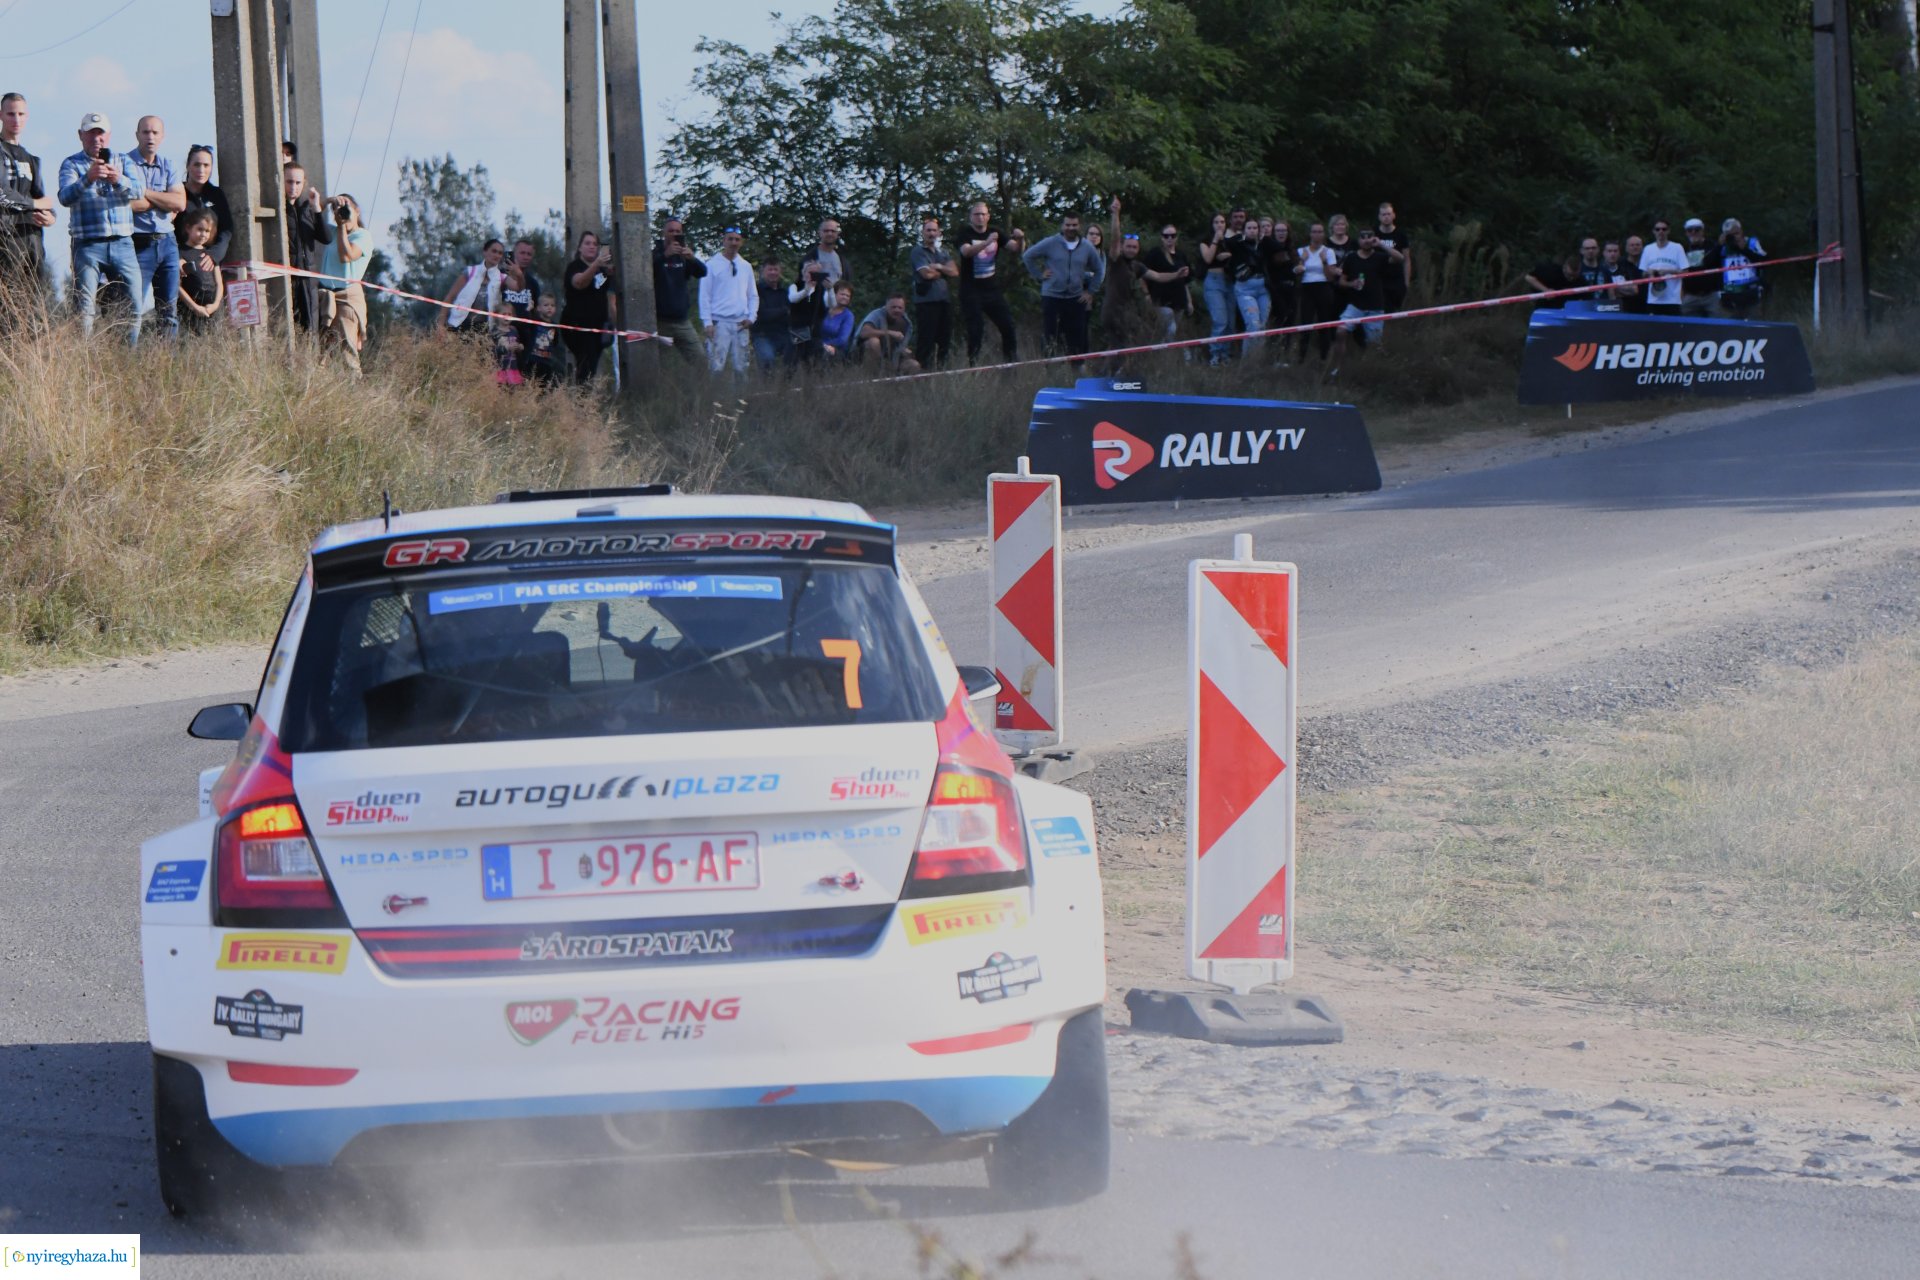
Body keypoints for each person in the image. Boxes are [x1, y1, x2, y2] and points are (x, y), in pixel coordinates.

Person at [58, 111, 147, 342]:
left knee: (135, 301)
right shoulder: (71, 164)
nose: (97, 139)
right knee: (84, 307)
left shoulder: (122, 161)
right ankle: (84, 357)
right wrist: (87, 178)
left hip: (122, 243)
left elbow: (139, 192)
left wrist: (118, 180)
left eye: (101, 134)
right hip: (87, 245)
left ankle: (129, 354)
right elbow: (65, 197)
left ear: (109, 136)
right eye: (91, 134)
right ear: (81, 135)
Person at [126, 115, 185, 338]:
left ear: (162, 136)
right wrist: (163, 199)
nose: (150, 137)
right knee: (133, 308)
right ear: (137, 134)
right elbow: (129, 204)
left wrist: (146, 193)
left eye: (155, 132)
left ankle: (165, 363)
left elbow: (179, 202)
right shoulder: (125, 163)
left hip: (167, 243)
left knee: (168, 309)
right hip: (138, 243)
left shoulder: (168, 165)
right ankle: (127, 360)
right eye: (145, 132)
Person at [0, 92, 55, 321]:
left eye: (21, 114)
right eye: (11, 113)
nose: (16, 119)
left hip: (32, 239)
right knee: (7, 304)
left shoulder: (31, 158)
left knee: (33, 305)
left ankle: (30, 354)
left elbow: (43, 198)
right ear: (1, 115)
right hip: (6, 238)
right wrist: (35, 204)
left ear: (27, 117)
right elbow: (2, 195)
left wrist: (50, 217)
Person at [1023, 211, 1104, 357]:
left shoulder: (1087, 247)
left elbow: (1099, 270)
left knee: (1077, 336)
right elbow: (1028, 256)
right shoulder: (1051, 242)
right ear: (1062, 225)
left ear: (1080, 226)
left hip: (1076, 297)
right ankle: (1049, 367)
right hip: (1052, 296)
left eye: (1074, 225)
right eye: (1068, 225)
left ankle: (1077, 368)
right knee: (1050, 334)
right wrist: (1039, 275)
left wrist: (1091, 291)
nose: (1071, 228)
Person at [953, 200, 1024, 364]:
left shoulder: (995, 232)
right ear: (971, 217)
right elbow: (966, 252)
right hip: (970, 290)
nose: (980, 217)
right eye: (977, 214)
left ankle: (1010, 364)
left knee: (1007, 326)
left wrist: (1020, 239)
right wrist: (986, 243)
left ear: (988, 217)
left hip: (991, 290)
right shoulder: (965, 233)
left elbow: (1015, 249)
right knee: (976, 330)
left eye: (983, 214)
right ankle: (973, 367)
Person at [314, 191, 371, 375]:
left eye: (347, 209)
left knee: (347, 351)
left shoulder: (362, 236)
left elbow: (346, 256)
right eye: (338, 210)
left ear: (357, 211)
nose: (343, 214)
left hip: (346, 296)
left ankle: (355, 389)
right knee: (320, 351)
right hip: (325, 295)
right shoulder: (331, 230)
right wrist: (329, 201)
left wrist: (341, 227)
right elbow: (310, 213)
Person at [698, 225, 756, 378]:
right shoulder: (711, 265)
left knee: (741, 368)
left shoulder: (746, 266)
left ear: (741, 242)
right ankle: (715, 400)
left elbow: (752, 295)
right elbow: (704, 295)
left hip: (740, 323)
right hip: (719, 322)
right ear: (724, 241)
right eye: (730, 239)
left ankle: (740, 400)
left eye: (737, 240)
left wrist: (752, 317)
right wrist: (707, 322)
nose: (733, 243)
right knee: (716, 366)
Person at [561, 229, 618, 383]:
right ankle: (582, 402)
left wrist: (610, 271)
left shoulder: (602, 270)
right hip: (577, 327)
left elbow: (608, 292)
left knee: (590, 368)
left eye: (595, 244)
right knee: (585, 366)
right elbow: (579, 282)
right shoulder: (575, 266)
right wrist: (595, 265)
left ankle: (585, 401)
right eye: (587, 243)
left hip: (597, 328)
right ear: (580, 247)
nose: (592, 246)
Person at [283, 162, 333, 333]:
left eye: (297, 183)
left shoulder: (306, 210)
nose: (293, 187)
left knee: (310, 329)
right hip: (288, 278)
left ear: (304, 183)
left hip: (308, 278)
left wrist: (317, 208)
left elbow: (326, 238)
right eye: (289, 182)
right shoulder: (279, 209)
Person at [1100, 201, 1150, 369]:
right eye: (1128, 246)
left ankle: (1114, 374)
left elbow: (1157, 276)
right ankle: (1109, 378)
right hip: (1112, 312)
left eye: (1134, 247)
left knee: (1125, 344)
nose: (1131, 249)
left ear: (1138, 249)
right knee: (1119, 347)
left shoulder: (1136, 266)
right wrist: (1116, 214)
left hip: (1126, 313)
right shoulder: (1117, 261)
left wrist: (1177, 275)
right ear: (1123, 247)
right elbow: (1114, 239)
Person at [651, 215, 707, 362]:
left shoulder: (683, 256)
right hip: (660, 322)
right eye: (671, 231)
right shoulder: (655, 254)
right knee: (659, 365)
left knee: (700, 360)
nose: (675, 234)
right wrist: (665, 256)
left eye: (678, 231)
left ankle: (699, 386)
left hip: (682, 321)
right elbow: (647, 273)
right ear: (664, 233)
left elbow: (703, 272)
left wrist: (692, 258)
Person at [909, 215, 956, 369]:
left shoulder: (943, 253)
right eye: (928, 230)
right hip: (926, 302)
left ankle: (942, 371)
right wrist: (942, 272)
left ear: (938, 233)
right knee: (926, 340)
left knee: (944, 340)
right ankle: (923, 372)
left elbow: (954, 272)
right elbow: (926, 274)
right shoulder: (918, 252)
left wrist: (939, 268)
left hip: (944, 301)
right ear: (922, 232)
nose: (931, 233)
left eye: (934, 230)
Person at [1334, 227, 1390, 357]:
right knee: (1340, 332)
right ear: (1358, 240)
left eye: (1369, 237)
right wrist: (1351, 284)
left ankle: (1373, 368)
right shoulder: (1351, 258)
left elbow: (1399, 258)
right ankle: (1337, 369)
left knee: (1374, 345)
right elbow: (1341, 281)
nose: (1366, 240)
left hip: (1375, 306)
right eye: (1363, 238)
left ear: (1374, 239)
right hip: (1355, 305)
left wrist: (1381, 244)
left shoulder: (1380, 257)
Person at [1294, 221, 1340, 362]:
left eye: (1320, 232)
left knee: (1324, 323)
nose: (1317, 235)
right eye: (1314, 231)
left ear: (1324, 234)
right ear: (1310, 234)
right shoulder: (1302, 251)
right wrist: (1302, 261)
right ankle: (1301, 358)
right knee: (1305, 323)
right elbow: (1296, 272)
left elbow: (1331, 277)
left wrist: (1324, 261)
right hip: (1307, 288)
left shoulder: (1328, 251)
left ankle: (1324, 358)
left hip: (1323, 287)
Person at [1140, 222, 1193, 344]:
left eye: (1172, 236)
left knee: (1172, 331)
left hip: (1179, 300)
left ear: (1176, 237)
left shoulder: (1181, 255)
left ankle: (1164, 355)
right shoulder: (1155, 253)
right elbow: (1142, 275)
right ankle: (1164, 352)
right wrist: (1146, 294)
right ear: (1161, 237)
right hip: (1161, 300)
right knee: (1171, 327)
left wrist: (1189, 301)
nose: (1169, 238)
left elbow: (1185, 281)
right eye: (1166, 236)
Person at [177, 144, 231, 263]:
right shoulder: (176, 191)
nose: (201, 170)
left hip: (209, 265)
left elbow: (226, 229)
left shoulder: (216, 194)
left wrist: (215, 254)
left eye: (206, 165)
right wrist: (176, 257)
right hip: (182, 262)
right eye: (196, 164)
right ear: (187, 166)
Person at [440, 238, 504, 339]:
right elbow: (449, 297)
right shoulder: (470, 272)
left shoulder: (502, 278)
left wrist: (517, 274)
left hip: (483, 330)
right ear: (485, 252)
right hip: (458, 325)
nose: (496, 255)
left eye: (500, 253)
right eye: (494, 251)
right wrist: (440, 326)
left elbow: (517, 287)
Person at [174, 207, 223, 334]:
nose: (203, 234)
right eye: (199, 229)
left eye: (207, 231)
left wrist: (216, 304)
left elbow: (219, 283)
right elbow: (177, 286)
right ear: (188, 228)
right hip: (189, 310)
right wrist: (194, 307)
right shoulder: (179, 253)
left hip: (212, 309)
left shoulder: (210, 254)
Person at [1705, 218, 1766, 317]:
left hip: (1751, 294)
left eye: (1736, 233)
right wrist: (1718, 246)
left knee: (1755, 329)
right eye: (1730, 235)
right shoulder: (1722, 247)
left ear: (1741, 231)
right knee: (1730, 330)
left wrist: (1745, 250)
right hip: (1729, 297)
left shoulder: (1751, 242)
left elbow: (1765, 262)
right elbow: (1707, 263)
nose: (1734, 237)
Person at [499, 237, 543, 373]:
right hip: (503, 331)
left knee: (521, 371)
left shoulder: (533, 283)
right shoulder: (501, 277)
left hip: (525, 334)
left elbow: (535, 310)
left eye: (529, 254)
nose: (525, 257)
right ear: (515, 253)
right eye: (522, 253)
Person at [1197, 212, 1234, 364]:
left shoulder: (1230, 241)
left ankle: (1225, 354)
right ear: (1211, 225)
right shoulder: (1205, 241)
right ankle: (1215, 354)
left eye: (1222, 222)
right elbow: (1208, 258)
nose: (1219, 225)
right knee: (1220, 320)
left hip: (1229, 281)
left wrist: (1227, 254)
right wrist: (1215, 241)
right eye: (1216, 222)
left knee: (1230, 322)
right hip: (1213, 281)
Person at [749, 255, 793, 373]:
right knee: (767, 360)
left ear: (780, 272)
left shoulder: (785, 292)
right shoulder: (756, 291)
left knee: (797, 354)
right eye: (770, 269)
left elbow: (792, 315)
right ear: (763, 271)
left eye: (776, 269)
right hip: (762, 335)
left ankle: (787, 387)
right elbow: (762, 315)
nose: (773, 272)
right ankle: (767, 389)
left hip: (783, 334)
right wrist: (784, 310)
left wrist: (776, 313)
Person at [857, 292, 919, 373]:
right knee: (873, 342)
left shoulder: (906, 323)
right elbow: (864, 332)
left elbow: (902, 345)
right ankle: (872, 376)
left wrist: (904, 350)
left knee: (914, 364)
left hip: (892, 358)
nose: (896, 310)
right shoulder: (876, 315)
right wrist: (889, 332)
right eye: (893, 307)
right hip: (867, 356)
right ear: (886, 306)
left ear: (904, 309)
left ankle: (897, 382)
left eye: (900, 308)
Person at [1637, 218, 1688, 316]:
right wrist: (1650, 272)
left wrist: (1668, 271)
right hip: (1654, 299)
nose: (1661, 232)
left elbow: (1686, 272)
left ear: (1668, 231)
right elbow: (1643, 274)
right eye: (1658, 229)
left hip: (1672, 300)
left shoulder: (1677, 248)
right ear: (1653, 231)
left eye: (1664, 229)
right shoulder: (1648, 249)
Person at [1262, 218, 1297, 352]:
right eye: (1278, 230)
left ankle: (1286, 355)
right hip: (1275, 290)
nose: (1281, 233)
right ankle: (1273, 354)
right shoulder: (1268, 248)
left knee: (1290, 322)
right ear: (1273, 232)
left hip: (1291, 289)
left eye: (1284, 230)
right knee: (1278, 321)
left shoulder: (1292, 249)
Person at [1376, 202, 1412, 314]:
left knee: (1396, 311)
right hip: (1379, 279)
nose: (1386, 217)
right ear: (1379, 217)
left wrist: (1406, 282)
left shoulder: (1401, 234)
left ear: (1393, 215)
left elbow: (1406, 260)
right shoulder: (1374, 233)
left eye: (1388, 214)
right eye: (1383, 214)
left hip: (1396, 279)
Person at [1679, 217, 1716, 317]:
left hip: (1711, 295)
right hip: (1691, 295)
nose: (1693, 232)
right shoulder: (1683, 249)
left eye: (1697, 229)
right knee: (1687, 325)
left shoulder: (1712, 246)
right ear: (1686, 233)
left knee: (1718, 325)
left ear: (1702, 231)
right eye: (1690, 230)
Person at [527, 294, 562, 385]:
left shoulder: (554, 326)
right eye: (546, 305)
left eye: (552, 305)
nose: (549, 308)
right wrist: (529, 309)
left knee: (544, 386)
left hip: (547, 362)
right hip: (533, 360)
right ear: (538, 308)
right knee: (530, 384)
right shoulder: (535, 320)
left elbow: (555, 342)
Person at [819, 280, 856, 363]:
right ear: (834, 294)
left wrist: (825, 345)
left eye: (848, 296)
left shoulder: (848, 316)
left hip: (837, 349)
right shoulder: (823, 310)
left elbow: (842, 339)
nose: (845, 297)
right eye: (842, 294)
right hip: (818, 345)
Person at [1603, 240, 1643, 313]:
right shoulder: (1600, 270)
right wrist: (1623, 288)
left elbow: (1634, 290)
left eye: (1615, 251)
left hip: (1625, 309)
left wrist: (1613, 288)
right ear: (1604, 253)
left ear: (1619, 253)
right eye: (1609, 251)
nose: (1612, 254)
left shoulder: (1627, 269)